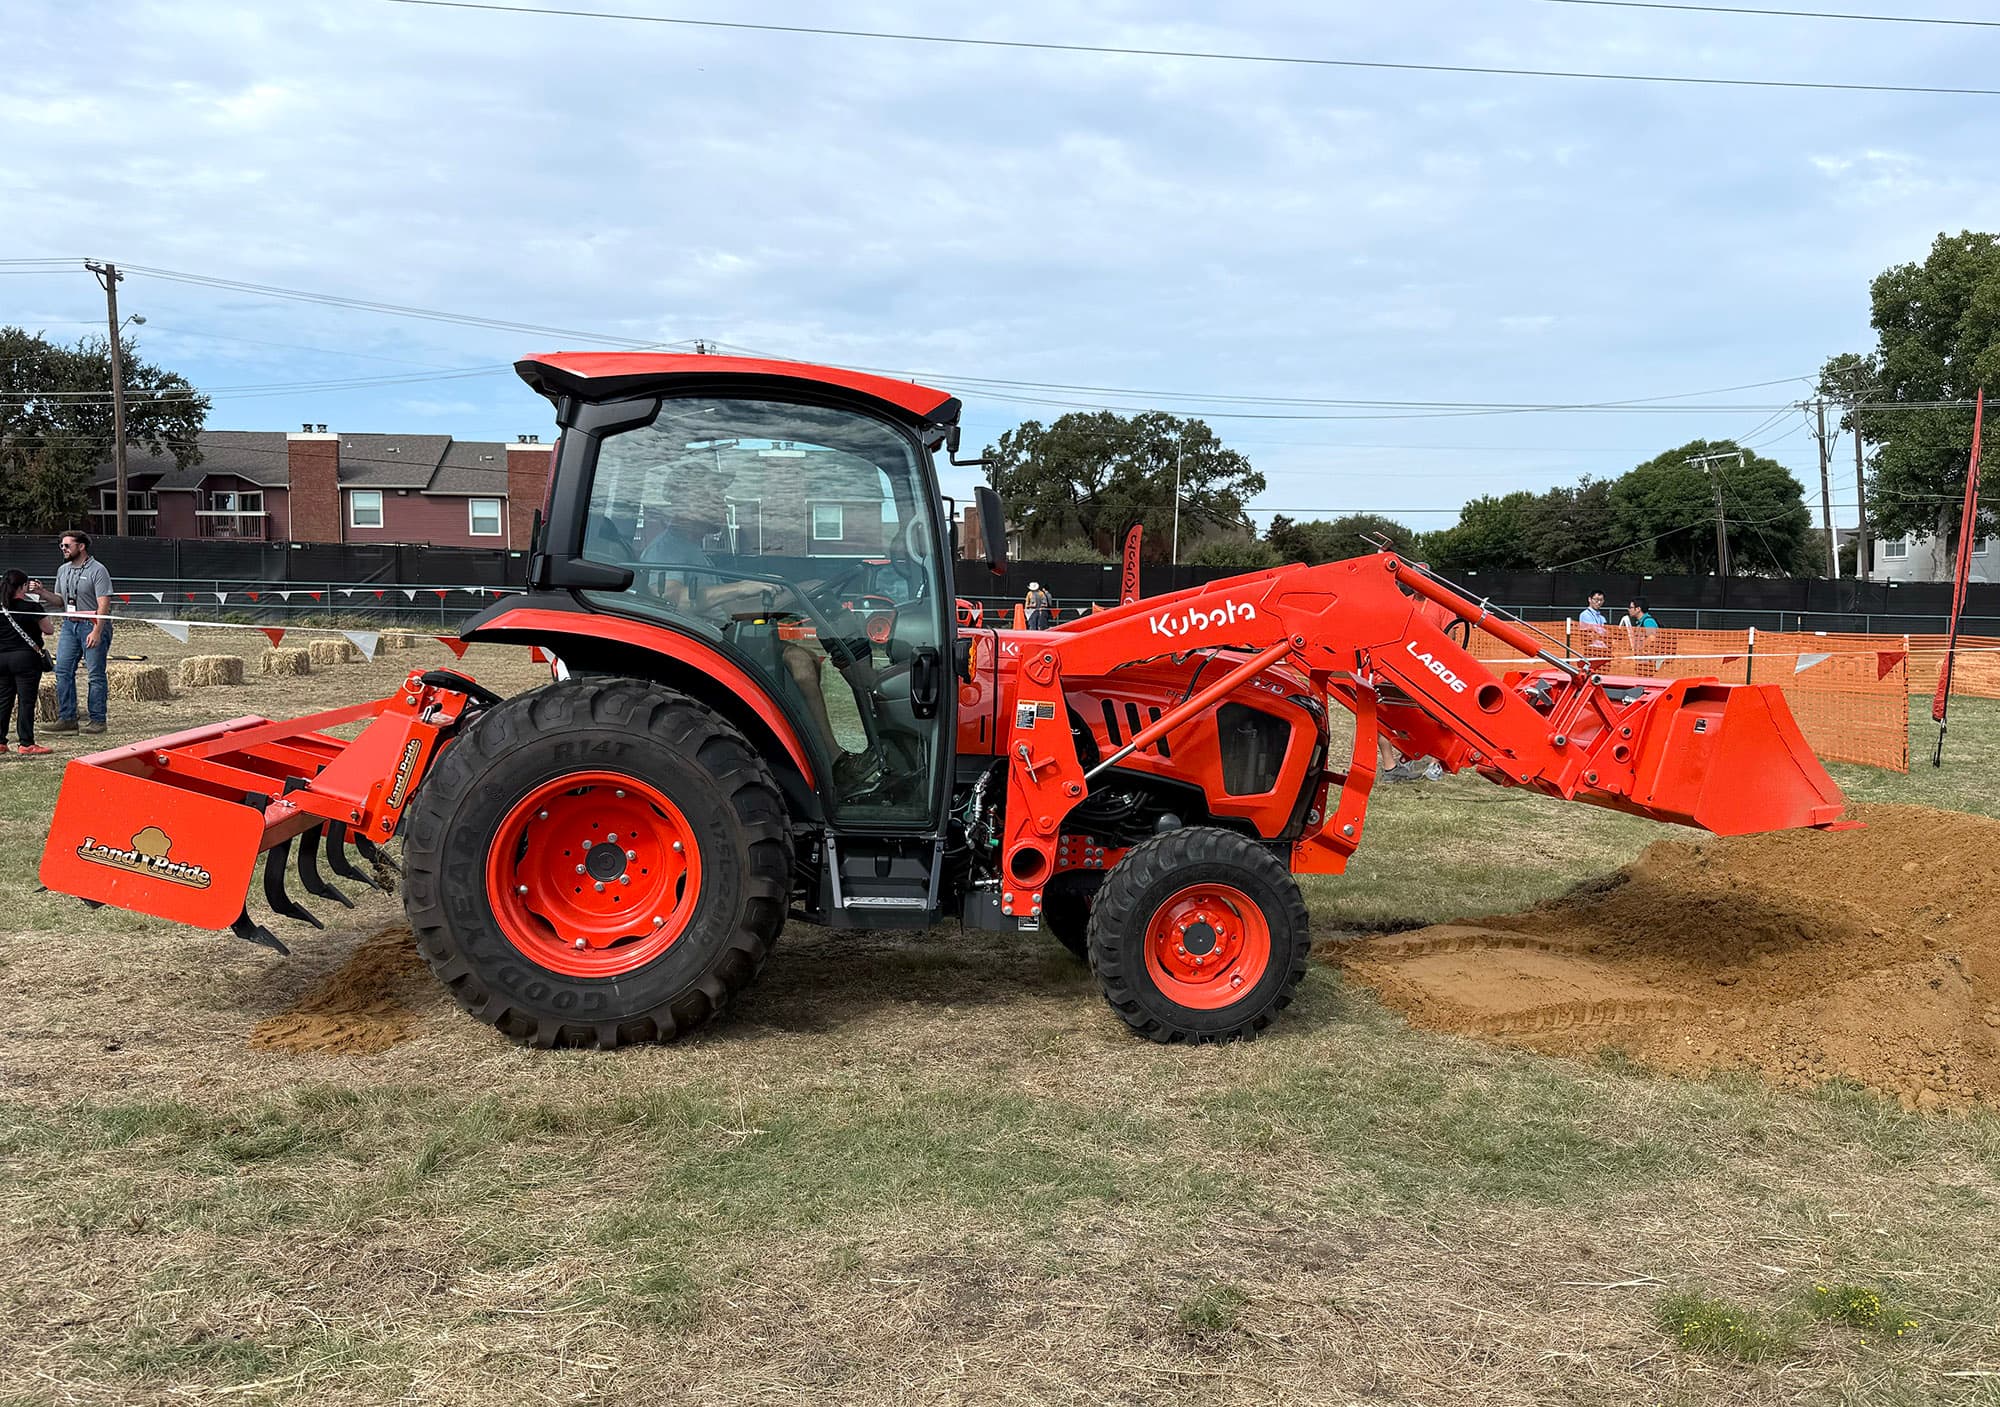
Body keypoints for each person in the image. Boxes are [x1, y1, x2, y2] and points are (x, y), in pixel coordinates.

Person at [50, 529, 113, 735]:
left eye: (67, 545)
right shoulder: (62, 570)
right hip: (70, 624)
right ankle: (67, 718)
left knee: (95, 674)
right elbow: (60, 600)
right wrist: (41, 592)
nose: (63, 549)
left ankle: (98, 720)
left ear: (81, 546)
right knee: (63, 671)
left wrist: (97, 630)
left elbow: (104, 604)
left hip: (91, 623)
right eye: (61, 546)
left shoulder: (98, 570)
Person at [0, 569, 56, 756]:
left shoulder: (1, 606)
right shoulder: (31, 607)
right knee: (26, 701)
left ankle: (0, 741)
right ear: (23, 587)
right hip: (25, 659)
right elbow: (49, 630)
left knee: (4, 700)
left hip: (2, 657)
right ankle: (26, 743)